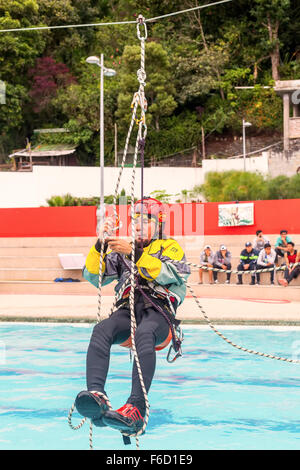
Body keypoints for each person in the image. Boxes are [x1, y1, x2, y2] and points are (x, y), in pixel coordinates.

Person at [74, 197, 190, 435]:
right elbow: (93, 276)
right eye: (134, 220)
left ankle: (136, 409)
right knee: (102, 330)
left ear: (158, 224)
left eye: (145, 220)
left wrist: (135, 254)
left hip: (158, 313)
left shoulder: (171, 248)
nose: (137, 225)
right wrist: (100, 245)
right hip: (128, 310)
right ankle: (97, 396)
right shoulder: (121, 250)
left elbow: (171, 275)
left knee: (145, 333)